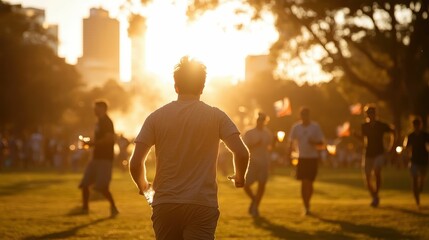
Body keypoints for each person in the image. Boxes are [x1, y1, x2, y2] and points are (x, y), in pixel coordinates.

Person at [129, 56, 249, 240]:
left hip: (165, 203)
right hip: (202, 203)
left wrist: (144, 186)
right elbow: (241, 153)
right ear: (202, 87)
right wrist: (240, 177)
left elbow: (136, 162)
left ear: (175, 86)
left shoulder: (156, 117)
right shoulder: (217, 116)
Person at [78, 100, 119, 217]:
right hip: (95, 158)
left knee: (102, 187)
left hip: (105, 159)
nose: (94, 110)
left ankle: (114, 207)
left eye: (97, 108)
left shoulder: (107, 122)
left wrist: (93, 143)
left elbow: (109, 139)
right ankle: (85, 209)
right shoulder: (99, 122)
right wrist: (91, 143)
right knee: (85, 183)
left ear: (104, 109)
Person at [288, 107, 325, 216]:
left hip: (312, 158)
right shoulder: (296, 127)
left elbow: (322, 144)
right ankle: (306, 205)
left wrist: (314, 142)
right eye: (302, 115)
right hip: (302, 158)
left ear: (309, 115)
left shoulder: (315, 127)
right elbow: (290, 141)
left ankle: (308, 203)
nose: (304, 117)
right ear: (300, 116)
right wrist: (289, 154)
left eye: (306, 115)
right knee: (304, 182)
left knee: (310, 182)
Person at [359, 104, 395, 207]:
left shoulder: (381, 125)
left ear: (375, 114)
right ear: (366, 115)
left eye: (372, 113)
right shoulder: (364, 126)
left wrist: (391, 147)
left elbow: (393, 132)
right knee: (367, 177)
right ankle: (375, 196)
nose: (371, 115)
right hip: (368, 153)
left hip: (379, 153)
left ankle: (376, 195)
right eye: (369, 114)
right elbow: (363, 140)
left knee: (377, 171)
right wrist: (356, 136)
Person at [242, 112, 274, 217]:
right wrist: (255, 144)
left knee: (262, 184)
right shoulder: (249, 132)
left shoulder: (267, 133)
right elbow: (244, 148)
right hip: (252, 162)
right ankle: (254, 200)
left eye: (262, 120)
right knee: (245, 184)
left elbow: (270, 147)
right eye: (258, 119)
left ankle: (255, 207)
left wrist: (276, 142)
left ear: (265, 121)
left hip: (264, 162)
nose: (260, 122)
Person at [403, 117, 429, 209]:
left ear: (420, 125)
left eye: (418, 125)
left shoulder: (425, 135)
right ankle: (417, 200)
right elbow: (406, 147)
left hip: (424, 160)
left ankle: (420, 189)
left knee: (421, 180)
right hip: (414, 160)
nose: (416, 127)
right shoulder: (410, 136)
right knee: (414, 180)